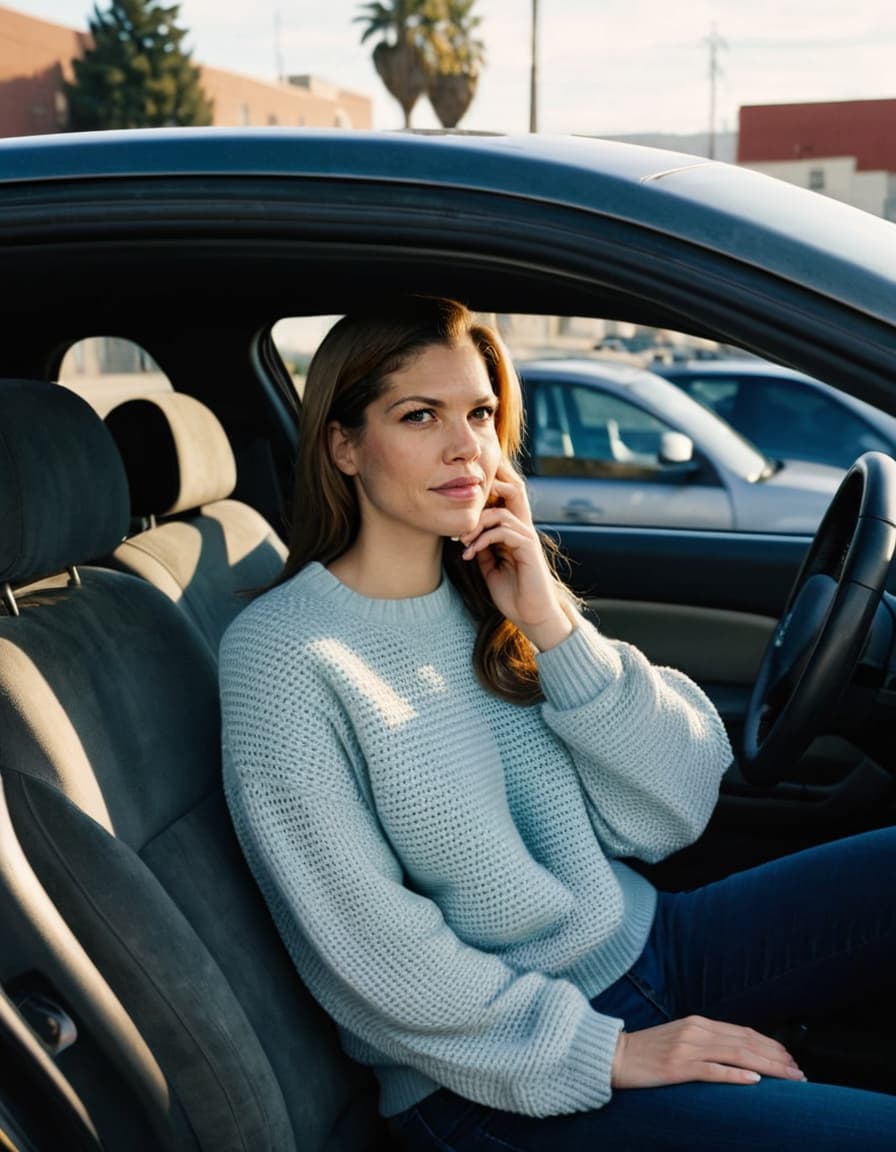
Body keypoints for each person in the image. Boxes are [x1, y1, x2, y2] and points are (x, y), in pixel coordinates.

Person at [219, 297, 896, 1150]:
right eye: (420, 416)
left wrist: (553, 622)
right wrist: (606, 1049)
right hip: (487, 1076)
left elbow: (677, 801)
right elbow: (370, 954)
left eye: (480, 413)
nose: (467, 446)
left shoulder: (491, 595)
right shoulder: (285, 656)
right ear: (344, 444)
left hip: (646, 944)